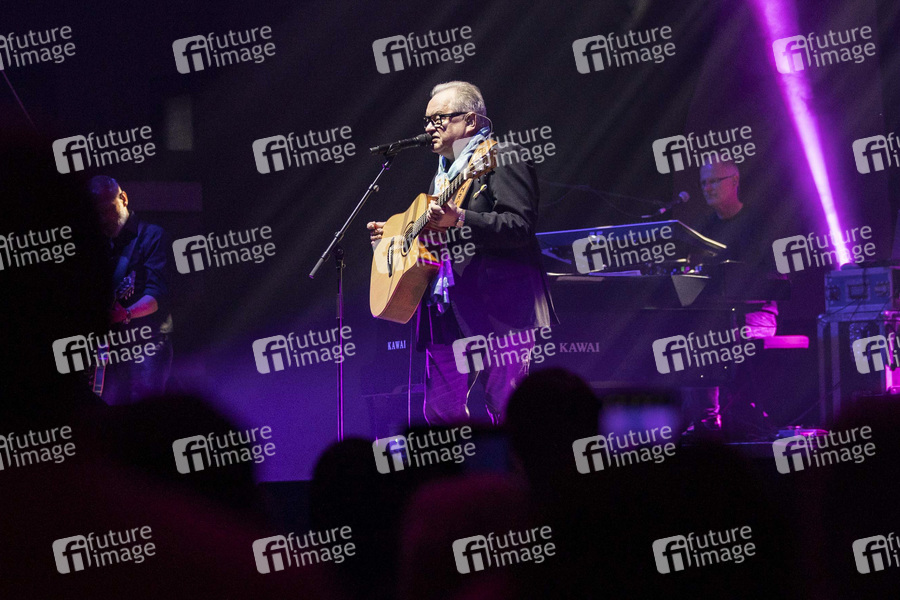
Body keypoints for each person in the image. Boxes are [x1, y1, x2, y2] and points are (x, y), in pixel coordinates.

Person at [367, 81, 556, 425]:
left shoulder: (501, 156)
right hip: (447, 310)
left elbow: (520, 226)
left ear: (470, 121)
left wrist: (461, 218)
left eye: (438, 119)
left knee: (508, 407)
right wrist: (393, 240)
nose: (429, 128)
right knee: (441, 412)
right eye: (426, 121)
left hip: (499, 308)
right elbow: (434, 245)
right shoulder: (441, 180)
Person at [683, 159, 779, 436]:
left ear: (734, 181)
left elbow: (772, 279)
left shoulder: (758, 223)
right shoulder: (703, 228)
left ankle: (721, 417)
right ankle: (703, 420)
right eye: (703, 183)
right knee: (684, 334)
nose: (707, 188)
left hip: (758, 314)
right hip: (715, 315)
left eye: (714, 181)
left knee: (714, 334)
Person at [89, 176, 174, 404]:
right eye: (97, 213)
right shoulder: (101, 246)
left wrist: (125, 313)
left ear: (123, 198)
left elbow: (156, 295)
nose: (103, 218)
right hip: (111, 349)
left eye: (108, 209)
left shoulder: (152, 236)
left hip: (146, 345)